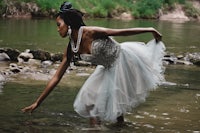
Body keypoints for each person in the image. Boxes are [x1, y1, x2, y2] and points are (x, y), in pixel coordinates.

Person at [22, 1, 165, 128]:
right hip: (106, 68)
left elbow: (122, 32)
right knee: (90, 102)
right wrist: (38, 103)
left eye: (59, 25)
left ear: (69, 24)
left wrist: (150, 29)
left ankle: (120, 126)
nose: (57, 28)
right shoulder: (71, 48)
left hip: (123, 61)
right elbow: (56, 78)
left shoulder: (91, 32)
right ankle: (99, 129)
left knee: (116, 105)